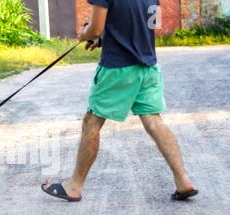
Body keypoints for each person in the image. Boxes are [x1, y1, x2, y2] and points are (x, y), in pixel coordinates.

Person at [42, 0, 198, 202]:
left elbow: (95, 29)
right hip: (148, 67)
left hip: (118, 69)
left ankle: (74, 186)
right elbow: (149, 26)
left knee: (92, 122)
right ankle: (183, 181)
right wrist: (108, 38)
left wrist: (86, 34)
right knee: (153, 121)